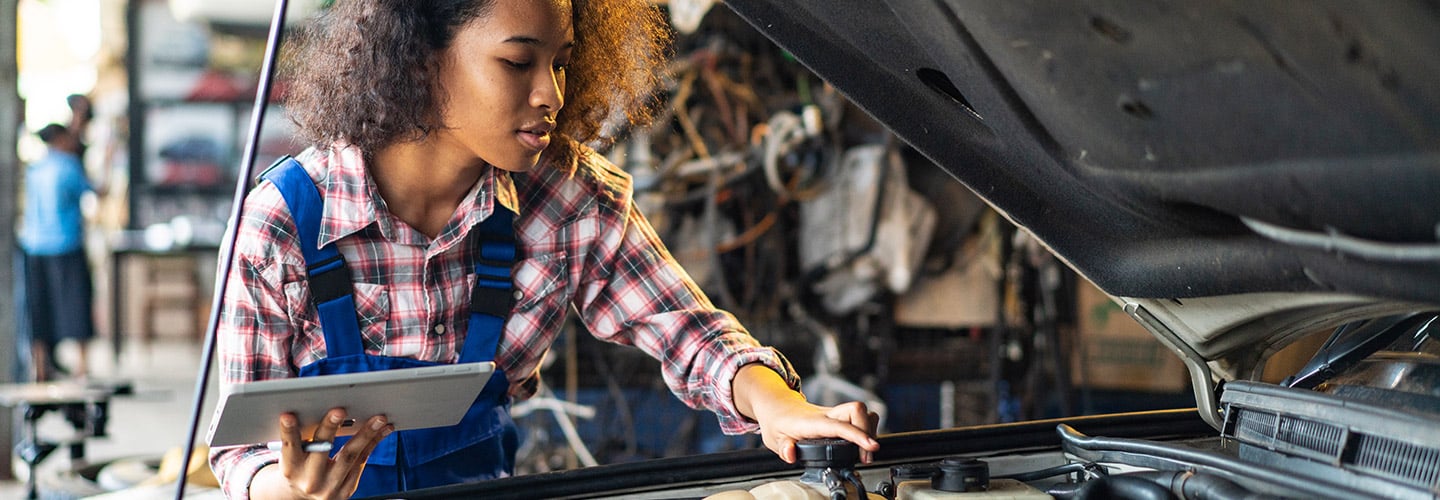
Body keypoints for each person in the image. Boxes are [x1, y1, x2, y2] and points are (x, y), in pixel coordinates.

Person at [208, 1, 879, 498]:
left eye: (560, 63)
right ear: (420, 57)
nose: (550, 95)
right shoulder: (281, 227)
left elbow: (688, 332)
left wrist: (775, 403)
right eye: (517, 61)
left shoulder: (567, 201)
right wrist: (286, 491)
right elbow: (238, 452)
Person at [19, 123, 99, 382]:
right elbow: (95, 191)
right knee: (76, 304)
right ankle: (82, 367)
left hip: (34, 246)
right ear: (61, 139)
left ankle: (39, 367)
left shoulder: (35, 169)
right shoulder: (69, 166)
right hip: (66, 244)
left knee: (39, 308)